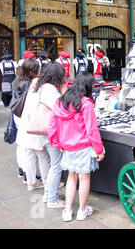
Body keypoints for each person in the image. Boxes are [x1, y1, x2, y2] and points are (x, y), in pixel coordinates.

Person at [48, 72, 105, 222]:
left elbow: (52, 126)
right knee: (84, 178)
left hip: (68, 147)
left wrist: (57, 143)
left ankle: (67, 211)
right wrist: (99, 149)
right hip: (84, 147)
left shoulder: (60, 101)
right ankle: (81, 211)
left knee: (71, 178)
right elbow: (92, 129)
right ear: (87, 86)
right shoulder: (86, 103)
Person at [33, 62, 68, 208]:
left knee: (53, 164)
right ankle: (52, 199)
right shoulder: (49, 89)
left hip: (46, 132)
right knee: (56, 165)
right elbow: (61, 107)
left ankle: (48, 194)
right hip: (51, 133)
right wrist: (65, 92)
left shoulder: (43, 87)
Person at [11, 58, 40, 184]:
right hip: (25, 114)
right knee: (27, 147)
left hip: (16, 113)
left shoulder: (17, 79)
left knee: (21, 144)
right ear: (33, 71)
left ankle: (21, 170)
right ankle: (28, 175)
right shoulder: (30, 83)